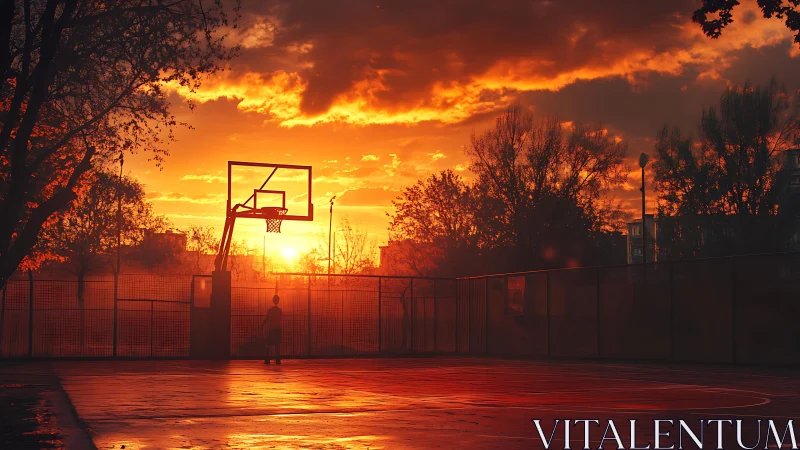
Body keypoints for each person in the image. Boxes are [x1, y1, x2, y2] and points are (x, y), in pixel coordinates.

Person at [262, 294, 283, 364]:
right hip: (278, 329)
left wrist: (262, 326)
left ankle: (267, 359)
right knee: (277, 345)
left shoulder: (271, 310)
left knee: (268, 344)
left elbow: (266, 319)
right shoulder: (279, 310)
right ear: (278, 300)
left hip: (272, 329)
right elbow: (280, 319)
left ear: (273, 300)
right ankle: (277, 360)